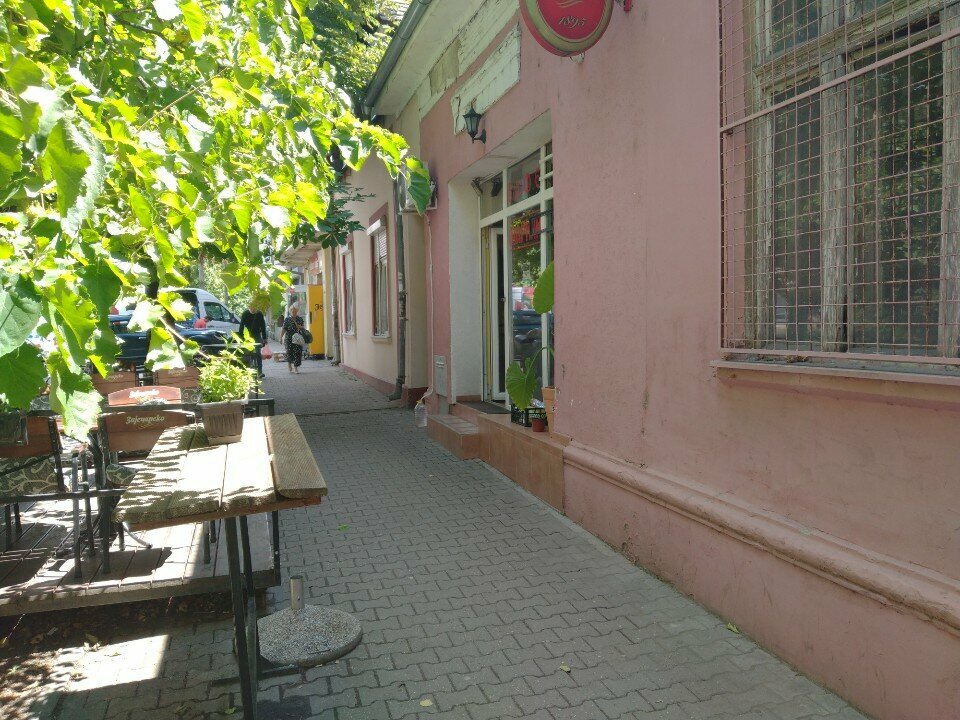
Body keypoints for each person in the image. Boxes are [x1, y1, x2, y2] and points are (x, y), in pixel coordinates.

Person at [239, 301, 268, 378]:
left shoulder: (259, 314)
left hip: (257, 335)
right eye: (252, 307)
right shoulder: (245, 314)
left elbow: (263, 326)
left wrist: (264, 338)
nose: (254, 309)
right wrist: (241, 338)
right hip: (247, 336)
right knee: (248, 353)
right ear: (249, 307)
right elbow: (241, 326)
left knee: (258, 353)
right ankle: (249, 370)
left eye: (255, 307)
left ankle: (260, 372)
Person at [279, 305, 305, 374]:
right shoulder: (287, 319)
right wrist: (280, 338)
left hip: (297, 338)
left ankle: (296, 368)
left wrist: (300, 327)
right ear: (290, 311)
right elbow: (284, 329)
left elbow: (303, 328)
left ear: (297, 311)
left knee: (297, 353)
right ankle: (289, 364)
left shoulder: (299, 319)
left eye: (295, 311)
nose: (294, 313)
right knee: (289, 352)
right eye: (292, 311)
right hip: (289, 338)